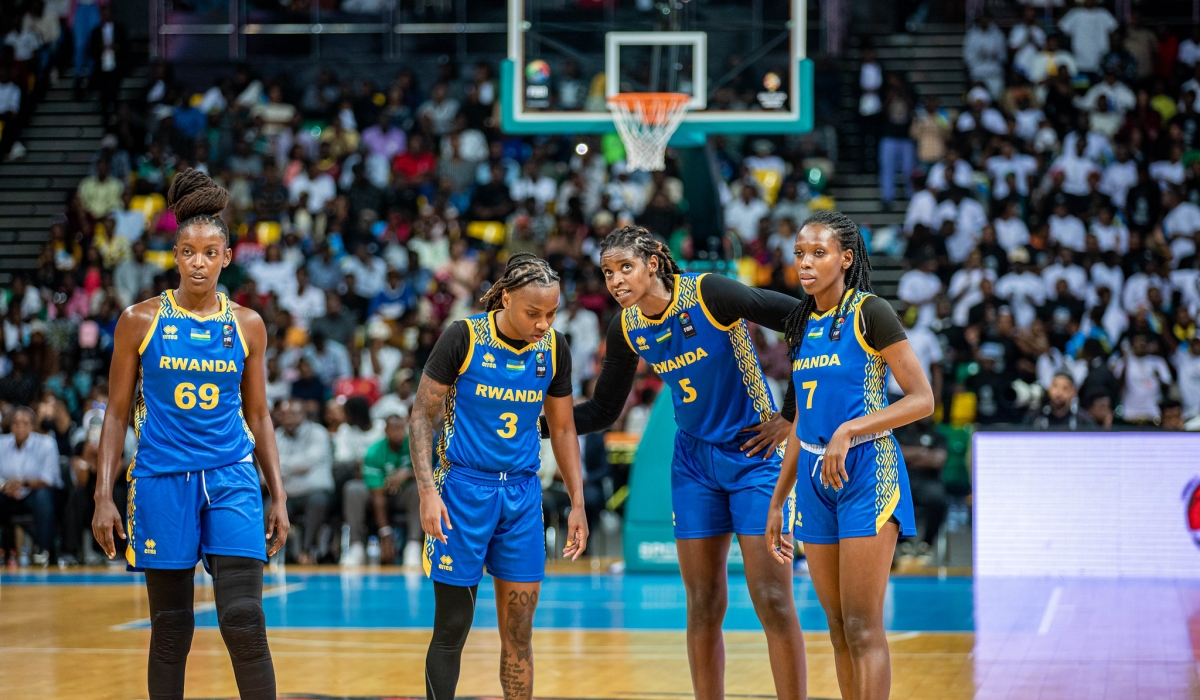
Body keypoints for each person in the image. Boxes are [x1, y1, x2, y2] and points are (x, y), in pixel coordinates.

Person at [567, 225, 806, 700]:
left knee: (773, 599)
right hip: (695, 464)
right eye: (608, 273)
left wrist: (789, 414)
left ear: (653, 263)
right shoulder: (626, 327)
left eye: (625, 267)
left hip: (755, 457)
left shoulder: (709, 292)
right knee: (702, 605)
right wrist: (527, 420)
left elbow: (801, 319)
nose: (615, 281)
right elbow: (602, 411)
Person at [91, 170, 289, 700]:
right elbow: (116, 413)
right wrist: (103, 495)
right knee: (171, 628)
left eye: (209, 252)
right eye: (187, 252)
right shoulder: (139, 320)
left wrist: (278, 493)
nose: (198, 262)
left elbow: (260, 415)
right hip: (161, 480)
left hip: (231, 478)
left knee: (244, 621)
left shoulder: (247, 324)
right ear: (175, 256)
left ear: (226, 258)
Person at [766, 210, 934, 700]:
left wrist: (850, 429)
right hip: (813, 475)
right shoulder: (801, 324)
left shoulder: (870, 312)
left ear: (845, 258)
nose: (805, 263)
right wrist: (778, 501)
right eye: (800, 253)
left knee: (862, 625)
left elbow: (922, 399)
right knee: (837, 627)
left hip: (866, 468)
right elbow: (801, 422)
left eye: (818, 253)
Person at [410, 253, 588, 700]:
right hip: (462, 492)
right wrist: (427, 491)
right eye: (533, 313)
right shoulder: (464, 337)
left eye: (551, 313)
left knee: (520, 633)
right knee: (453, 626)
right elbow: (421, 417)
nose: (543, 324)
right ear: (506, 298)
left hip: (522, 495)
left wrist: (578, 503)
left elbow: (563, 429)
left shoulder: (554, 348)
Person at [343, 412, 423, 566]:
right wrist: (385, 533)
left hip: (403, 494)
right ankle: (356, 547)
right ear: (386, 431)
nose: (398, 433)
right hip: (378, 495)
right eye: (394, 429)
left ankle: (413, 546)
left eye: (401, 429)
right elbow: (378, 496)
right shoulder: (374, 452)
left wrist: (408, 473)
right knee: (353, 489)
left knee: (418, 488)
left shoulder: (415, 446)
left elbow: (429, 473)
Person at [273, 399, 333, 565]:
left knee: (318, 500)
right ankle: (265, 552)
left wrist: (281, 465)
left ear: (303, 415)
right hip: (286, 495)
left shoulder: (318, 433)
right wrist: (294, 467)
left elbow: (308, 461)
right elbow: (267, 468)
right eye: (284, 415)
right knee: (267, 504)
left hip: (314, 492)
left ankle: (307, 551)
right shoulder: (275, 436)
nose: (288, 419)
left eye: (293, 414)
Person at [0, 407, 62, 565]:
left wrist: (24, 483)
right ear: (10, 426)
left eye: (25, 423)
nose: (20, 427)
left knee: (43, 497)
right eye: (16, 423)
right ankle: (3, 551)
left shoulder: (46, 444)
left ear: (33, 426)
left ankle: (43, 550)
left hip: (35, 494)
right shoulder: (2, 443)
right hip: (8, 494)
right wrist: (5, 485)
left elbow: (49, 479)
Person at [1024, 372, 1095, 430]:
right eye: (1055, 386)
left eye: (1065, 388)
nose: (1059, 393)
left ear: (1073, 392)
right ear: (1049, 388)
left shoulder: (1082, 420)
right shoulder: (1035, 417)